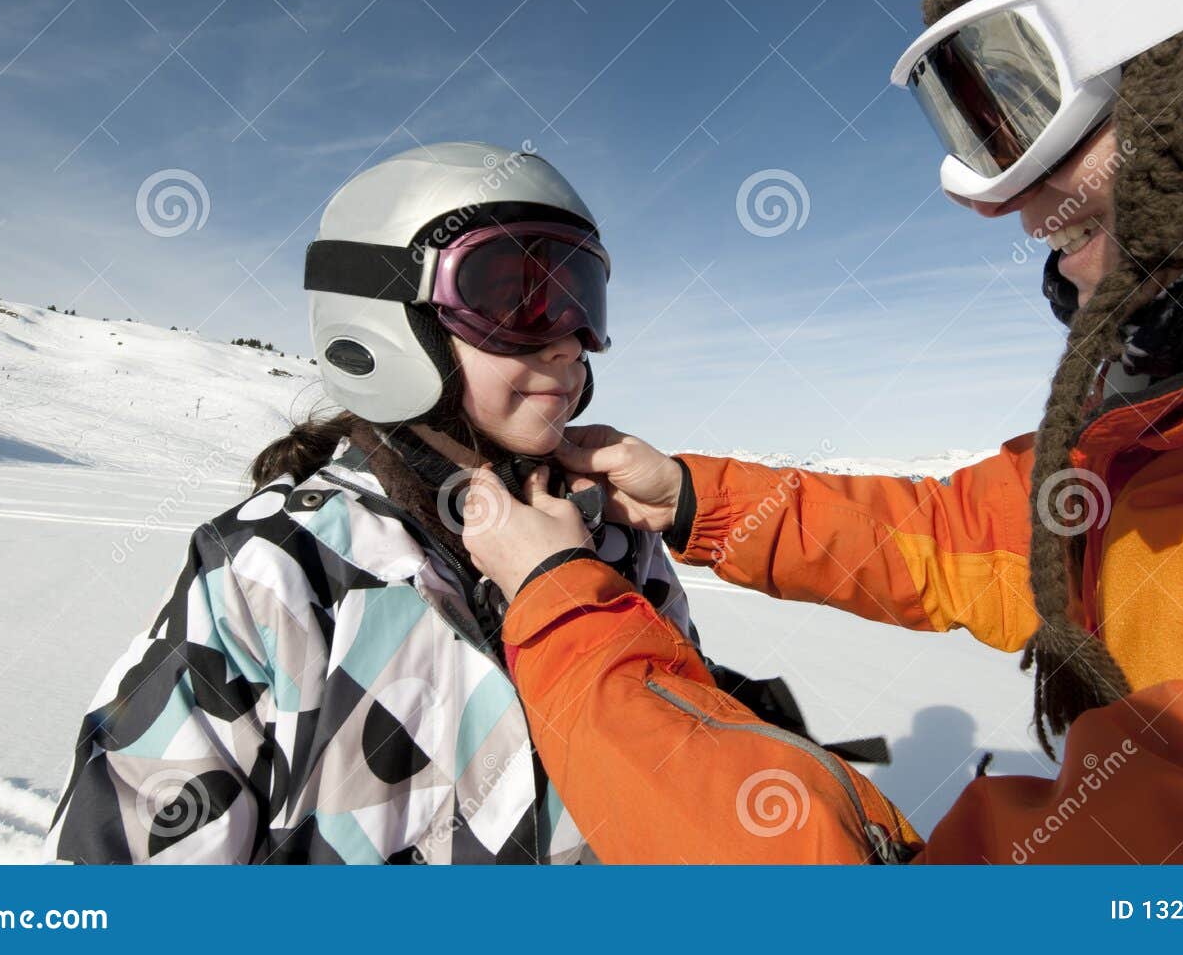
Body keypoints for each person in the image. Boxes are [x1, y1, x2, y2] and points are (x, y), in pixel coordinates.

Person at [458, 0, 1183, 862]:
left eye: (1015, 100)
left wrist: (566, 616)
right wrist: (694, 497)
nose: (989, 196)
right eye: (965, 111)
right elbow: (966, 542)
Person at [44, 141, 710, 863]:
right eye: (520, 297)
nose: (570, 341)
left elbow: (693, 781)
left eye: (582, 302)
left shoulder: (616, 543)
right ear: (386, 315)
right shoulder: (275, 569)